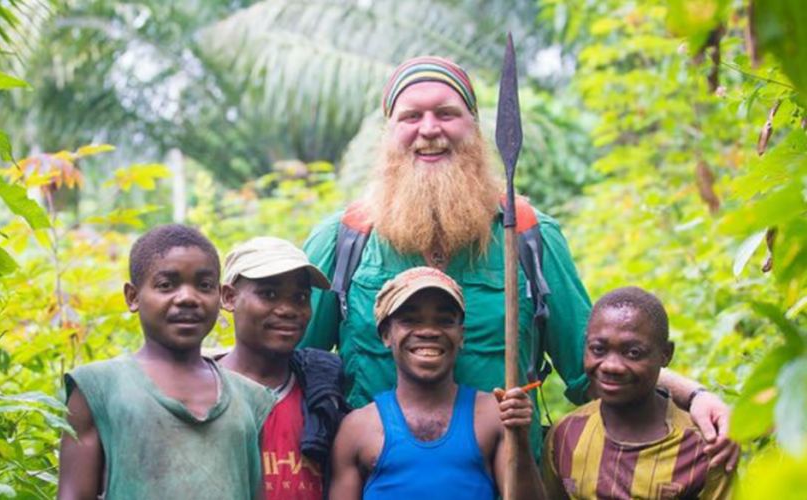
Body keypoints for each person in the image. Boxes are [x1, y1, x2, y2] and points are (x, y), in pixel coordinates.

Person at [302, 55, 738, 469]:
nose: (429, 129)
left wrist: (695, 396)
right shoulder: (345, 240)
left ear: (474, 127)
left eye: (446, 114)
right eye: (411, 117)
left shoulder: (527, 235)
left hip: (508, 479)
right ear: (389, 132)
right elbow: (285, 366)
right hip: (376, 479)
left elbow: (595, 366)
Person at [57, 225, 275, 500]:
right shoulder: (98, 388)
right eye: (166, 285)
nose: (187, 297)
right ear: (133, 297)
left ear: (220, 296)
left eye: (204, 285)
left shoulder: (249, 398)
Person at [330, 267, 546, 500]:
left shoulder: (494, 415)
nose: (429, 331)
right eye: (410, 320)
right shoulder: (356, 428)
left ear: (461, 336)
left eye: (444, 321)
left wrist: (520, 440)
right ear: (386, 335)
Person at [543, 287, 733, 499]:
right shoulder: (566, 435)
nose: (611, 366)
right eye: (598, 349)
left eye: (633, 353)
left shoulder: (701, 447)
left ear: (666, 354)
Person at [218, 237, 350, 500]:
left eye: (300, 297)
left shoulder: (323, 398)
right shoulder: (204, 393)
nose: (288, 310)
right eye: (269, 294)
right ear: (229, 297)